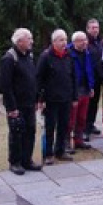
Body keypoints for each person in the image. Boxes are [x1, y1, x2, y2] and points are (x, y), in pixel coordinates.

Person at [0, 28, 43, 175]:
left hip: (30, 103)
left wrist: (37, 99)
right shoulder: (9, 59)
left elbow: (33, 80)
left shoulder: (29, 57)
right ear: (19, 41)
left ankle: (26, 160)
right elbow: (5, 86)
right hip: (16, 105)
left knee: (30, 131)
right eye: (29, 38)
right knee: (17, 132)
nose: (32, 41)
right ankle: (15, 162)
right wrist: (12, 107)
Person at [37, 29, 77, 164]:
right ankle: (48, 154)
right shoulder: (46, 56)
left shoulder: (69, 55)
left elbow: (73, 77)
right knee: (50, 126)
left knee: (64, 125)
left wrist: (74, 96)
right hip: (51, 99)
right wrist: (40, 99)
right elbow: (39, 79)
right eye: (61, 40)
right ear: (53, 42)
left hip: (66, 97)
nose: (64, 42)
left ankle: (60, 150)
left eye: (65, 39)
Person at [68, 31, 94, 151]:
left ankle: (79, 140)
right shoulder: (68, 53)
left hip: (85, 88)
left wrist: (91, 86)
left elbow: (89, 70)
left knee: (82, 117)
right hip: (74, 89)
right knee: (71, 118)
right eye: (81, 40)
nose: (84, 42)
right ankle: (67, 142)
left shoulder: (87, 52)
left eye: (85, 40)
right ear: (74, 42)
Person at [84, 19, 103, 139]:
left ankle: (91, 124)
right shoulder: (85, 42)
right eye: (92, 27)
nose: (95, 30)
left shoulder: (100, 42)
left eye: (96, 27)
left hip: (98, 78)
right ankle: (84, 129)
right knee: (87, 104)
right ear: (87, 29)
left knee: (95, 104)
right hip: (88, 79)